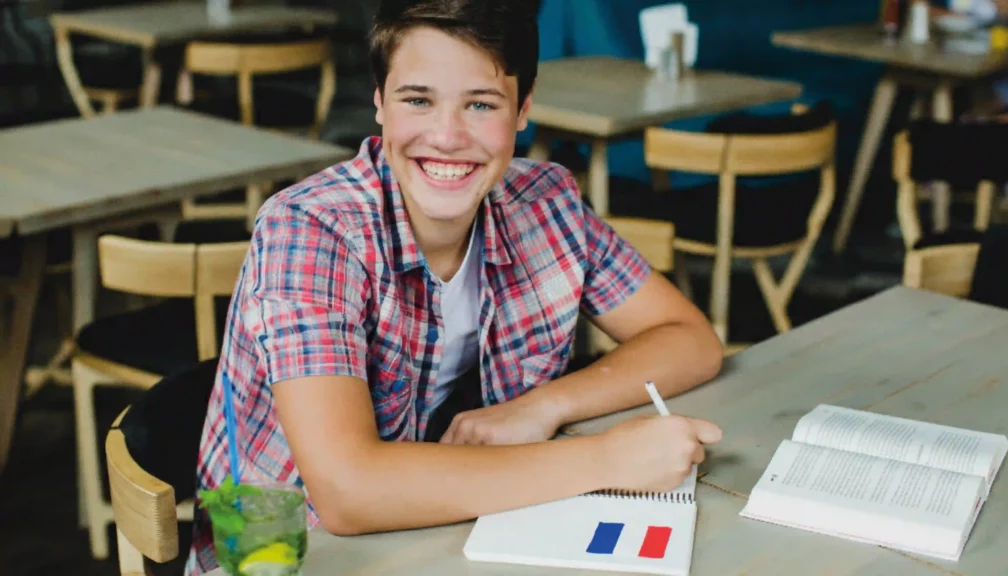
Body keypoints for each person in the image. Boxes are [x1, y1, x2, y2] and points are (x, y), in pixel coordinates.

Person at [184, 0, 724, 573]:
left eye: (481, 104)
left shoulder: (546, 202)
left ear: (523, 109)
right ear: (379, 102)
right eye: (417, 100)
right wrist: (608, 460)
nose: (446, 136)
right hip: (291, 556)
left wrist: (541, 407)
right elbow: (348, 492)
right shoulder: (310, 230)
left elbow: (689, 338)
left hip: (465, 530)